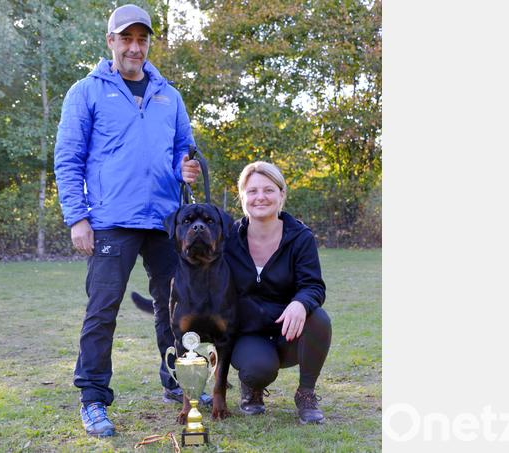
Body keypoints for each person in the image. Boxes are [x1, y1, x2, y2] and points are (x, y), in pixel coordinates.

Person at [53, 4, 206, 438]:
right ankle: (93, 398)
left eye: (142, 39)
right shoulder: (85, 92)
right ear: (111, 42)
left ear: (149, 43)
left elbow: (184, 149)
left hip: (164, 222)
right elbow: (68, 160)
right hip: (110, 220)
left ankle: (177, 380)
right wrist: (77, 218)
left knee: (175, 309)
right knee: (102, 311)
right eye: (126, 38)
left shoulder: (169, 96)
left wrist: (187, 168)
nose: (135, 47)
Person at [225, 161, 332, 425]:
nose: (260, 197)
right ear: (243, 197)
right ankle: (252, 387)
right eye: (252, 191)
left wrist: (300, 303)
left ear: (281, 194)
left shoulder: (300, 237)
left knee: (319, 319)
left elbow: (314, 285)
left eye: (269, 190)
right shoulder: (228, 239)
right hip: (248, 334)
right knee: (258, 369)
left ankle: (306, 394)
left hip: (288, 331)